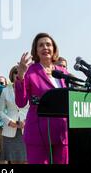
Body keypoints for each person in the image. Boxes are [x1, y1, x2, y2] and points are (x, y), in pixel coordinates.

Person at [14, 33, 69, 164]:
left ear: (54, 49)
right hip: (38, 132)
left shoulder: (63, 72)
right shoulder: (30, 71)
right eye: (41, 45)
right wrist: (21, 75)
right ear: (36, 50)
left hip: (62, 132)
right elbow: (21, 103)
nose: (45, 47)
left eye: (48, 44)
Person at [0, 66, 29, 164]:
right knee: (14, 161)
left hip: (27, 129)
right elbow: (0, 111)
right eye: (16, 72)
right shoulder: (5, 91)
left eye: (20, 72)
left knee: (27, 160)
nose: (18, 74)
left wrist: (26, 121)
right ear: (12, 75)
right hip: (10, 130)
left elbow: (33, 109)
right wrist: (9, 121)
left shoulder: (30, 88)